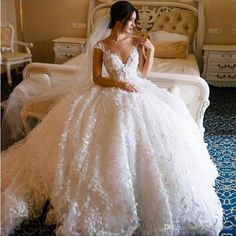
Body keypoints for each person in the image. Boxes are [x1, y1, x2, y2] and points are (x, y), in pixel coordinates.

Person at [1, 1, 223, 235]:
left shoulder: (136, 43)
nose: (134, 25)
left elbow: (142, 75)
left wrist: (150, 51)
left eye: (135, 22)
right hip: (109, 90)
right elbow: (97, 78)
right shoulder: (101, 46)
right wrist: (117, 82)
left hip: (137, 90)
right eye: (131, 21)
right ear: (119, 20)